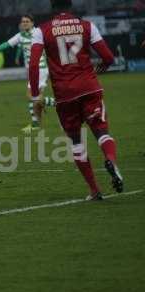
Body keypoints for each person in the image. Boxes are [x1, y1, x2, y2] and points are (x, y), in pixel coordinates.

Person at [29, 0, 123, 200]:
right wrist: (99, 69)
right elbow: (108, 58)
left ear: (52, 8)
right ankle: (111, 160)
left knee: (76, 141)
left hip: (64, 95)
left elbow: (34, 65)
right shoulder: (88, 26)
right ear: (70, 6)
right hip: (89, 87)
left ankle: (94, 190)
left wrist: (37, 95)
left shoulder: (41, 30)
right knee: (101, 130)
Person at [0, 15, 56, 134]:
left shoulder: (38, 32)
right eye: (23, 22)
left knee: (32, 96)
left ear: (33, 23)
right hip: (33, 71)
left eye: (27, 21)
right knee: (36, 99)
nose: (25, 23)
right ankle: (40, 121)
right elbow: (7, 44)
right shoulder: (20, 36)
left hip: (40, 69)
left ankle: (55, 108)